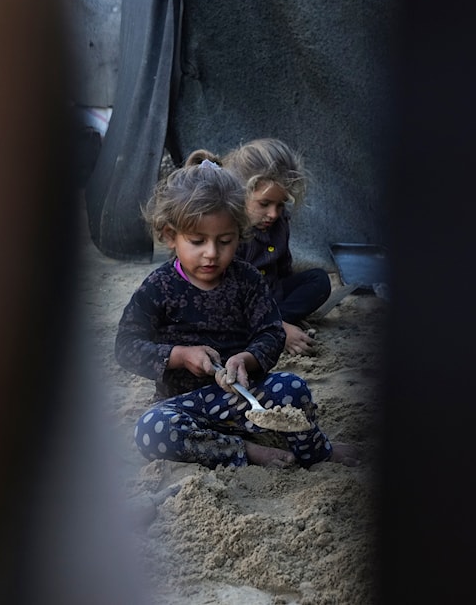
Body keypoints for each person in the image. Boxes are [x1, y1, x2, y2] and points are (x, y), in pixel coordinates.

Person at [114, 156, 358, 468]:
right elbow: (126, 347)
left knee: (292, 387)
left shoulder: (246, 280)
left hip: (246, 400)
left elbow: (271, 332)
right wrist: (180, 355)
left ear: (240, 235)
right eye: (197, 241)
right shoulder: (158, 286)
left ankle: (317, 450)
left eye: (225, 241)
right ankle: (245, 451)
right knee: (151, 429)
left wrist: (246, 358)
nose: (212, 253)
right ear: (169, 235)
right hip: (184, 406)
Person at [212, 138, 331, 356]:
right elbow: (225, 293)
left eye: (280, 204)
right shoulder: (229, 233)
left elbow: (284, 267)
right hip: (240, 305)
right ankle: (273, 328)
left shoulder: (279, 222)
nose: (273, 214)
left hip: (273, 295)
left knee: (319, 280)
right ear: (240, 194)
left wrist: (279, 311)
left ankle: (277, 320)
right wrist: (280, 327)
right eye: (264, 204)